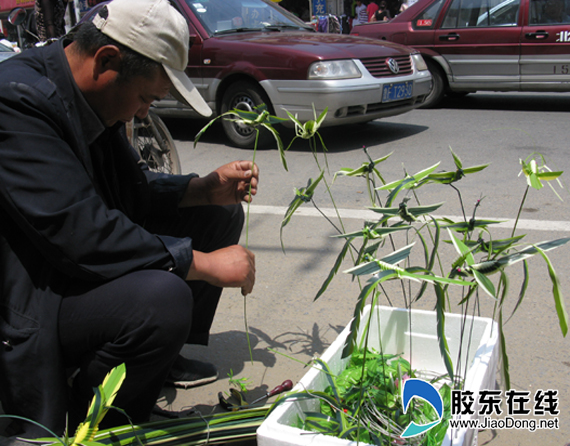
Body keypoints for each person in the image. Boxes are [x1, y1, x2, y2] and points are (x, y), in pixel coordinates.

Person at [0, 0, 258, 438]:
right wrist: (204, 264)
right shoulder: (17, 101)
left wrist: (200, 190)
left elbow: (127, 191)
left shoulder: (91, 97)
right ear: (106, 60)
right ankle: (101, 421)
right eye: (145, 98)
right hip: (30, 287)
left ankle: (158, 358)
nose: (143, 113)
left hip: (66, 259)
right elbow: (80, 231)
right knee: (162, 299)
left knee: (218, 214)